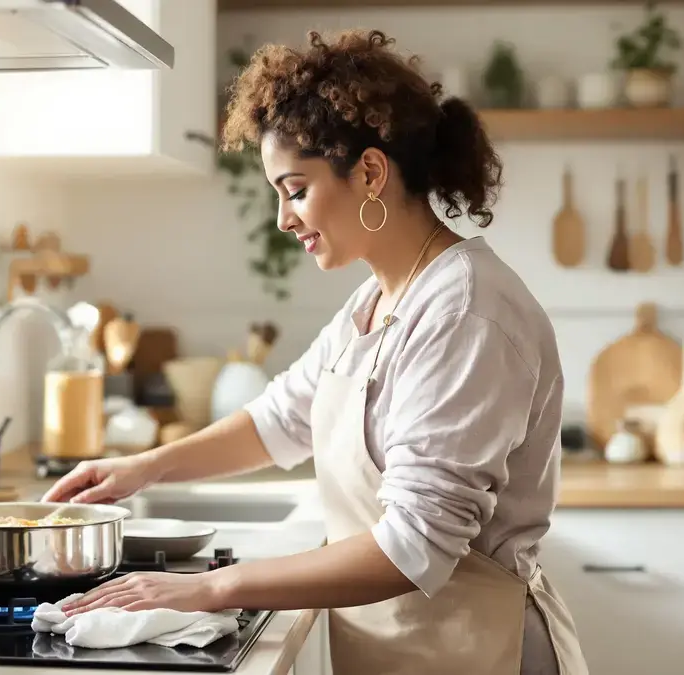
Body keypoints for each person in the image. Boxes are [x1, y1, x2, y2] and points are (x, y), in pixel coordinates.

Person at [42, 29, 587, 675]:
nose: (284, 218)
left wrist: (212, 587)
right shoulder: (379, 298)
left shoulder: (465, 311)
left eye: (296, 188)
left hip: (482, 652)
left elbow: (415, 544)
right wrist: (142, 468)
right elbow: (281, 419)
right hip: (412, 650)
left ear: (371, 172)